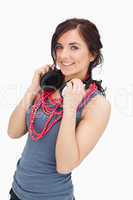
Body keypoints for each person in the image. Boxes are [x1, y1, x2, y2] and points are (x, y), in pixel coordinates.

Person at [7, 18, 111, 200]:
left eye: (74, 47)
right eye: (59, 47)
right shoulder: (48, 87)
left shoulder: (96, 105)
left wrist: (70, 109)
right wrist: (33, 89)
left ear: (92, 54)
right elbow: (13, 132)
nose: (62, 55)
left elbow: (64, 165)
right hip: (17, 191)